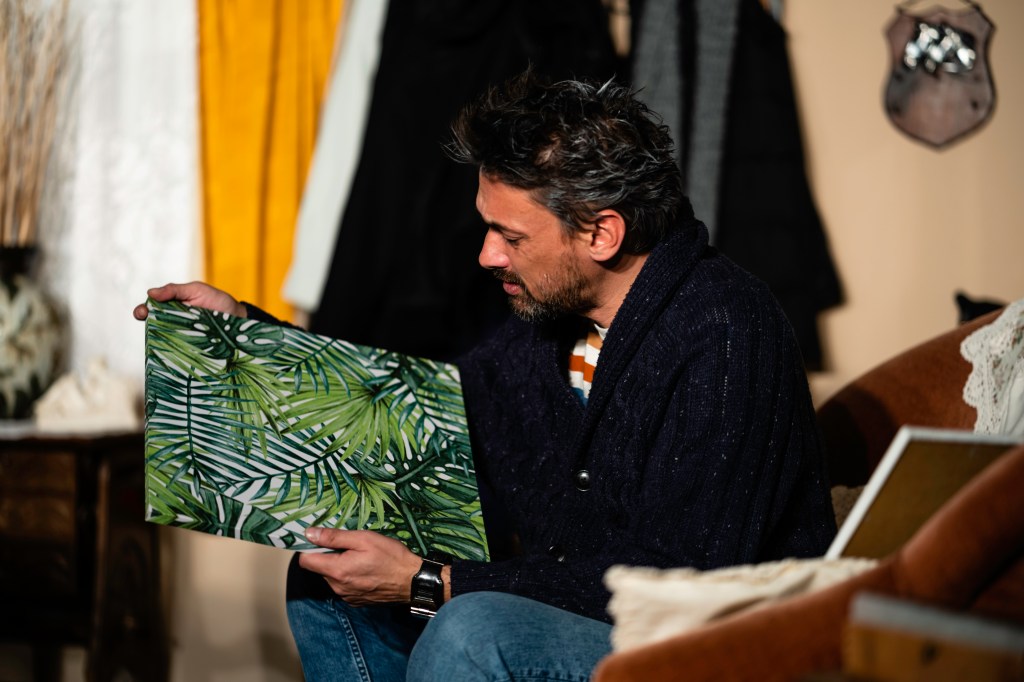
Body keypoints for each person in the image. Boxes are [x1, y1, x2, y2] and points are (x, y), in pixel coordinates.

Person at [134, 70, 837, 681]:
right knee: (327, 575)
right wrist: (245, 333)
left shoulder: (727, 331)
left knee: (474, 631)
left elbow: (680, 582)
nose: (487, 256)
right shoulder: (550, 324)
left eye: (512, 236)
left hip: (704, 646)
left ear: (602, 233)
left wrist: (429, 583)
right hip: (588, 612)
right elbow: (415, 406)